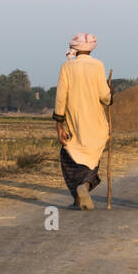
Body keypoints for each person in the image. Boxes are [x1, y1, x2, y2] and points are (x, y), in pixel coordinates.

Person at [53, 32, 111, 210]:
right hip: (96, 124)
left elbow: (61, 97)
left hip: (73, 123)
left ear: (74, 49)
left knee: (70, 157)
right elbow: (105, 96)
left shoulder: (67, 67)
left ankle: (77, 197)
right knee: (92, 158)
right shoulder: (98, 66)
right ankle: (84, 187)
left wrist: (59, 125)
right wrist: (111, 93)